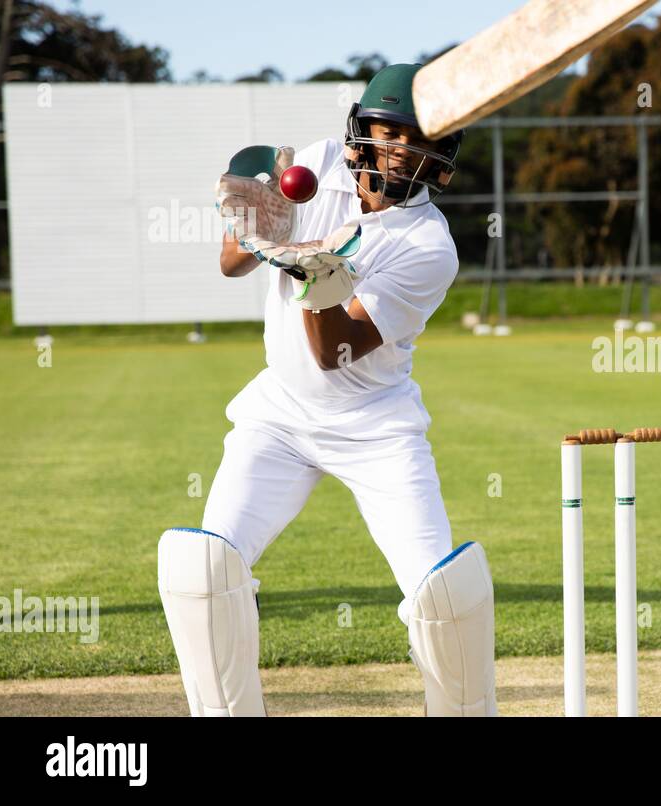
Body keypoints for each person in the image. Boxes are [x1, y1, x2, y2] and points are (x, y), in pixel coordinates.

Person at [156, 63, 496, 717]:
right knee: (203, 571)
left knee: (444, 595)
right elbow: (231, 262)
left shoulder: (429, 246)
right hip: (279, 415)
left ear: (441, 151)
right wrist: (257, 223)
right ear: (360, 131)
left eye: (417, 137)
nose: (400, 150)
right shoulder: (317, 166)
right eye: (387, 132)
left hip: (375, 422)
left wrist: (317, 270)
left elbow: (336, 350)